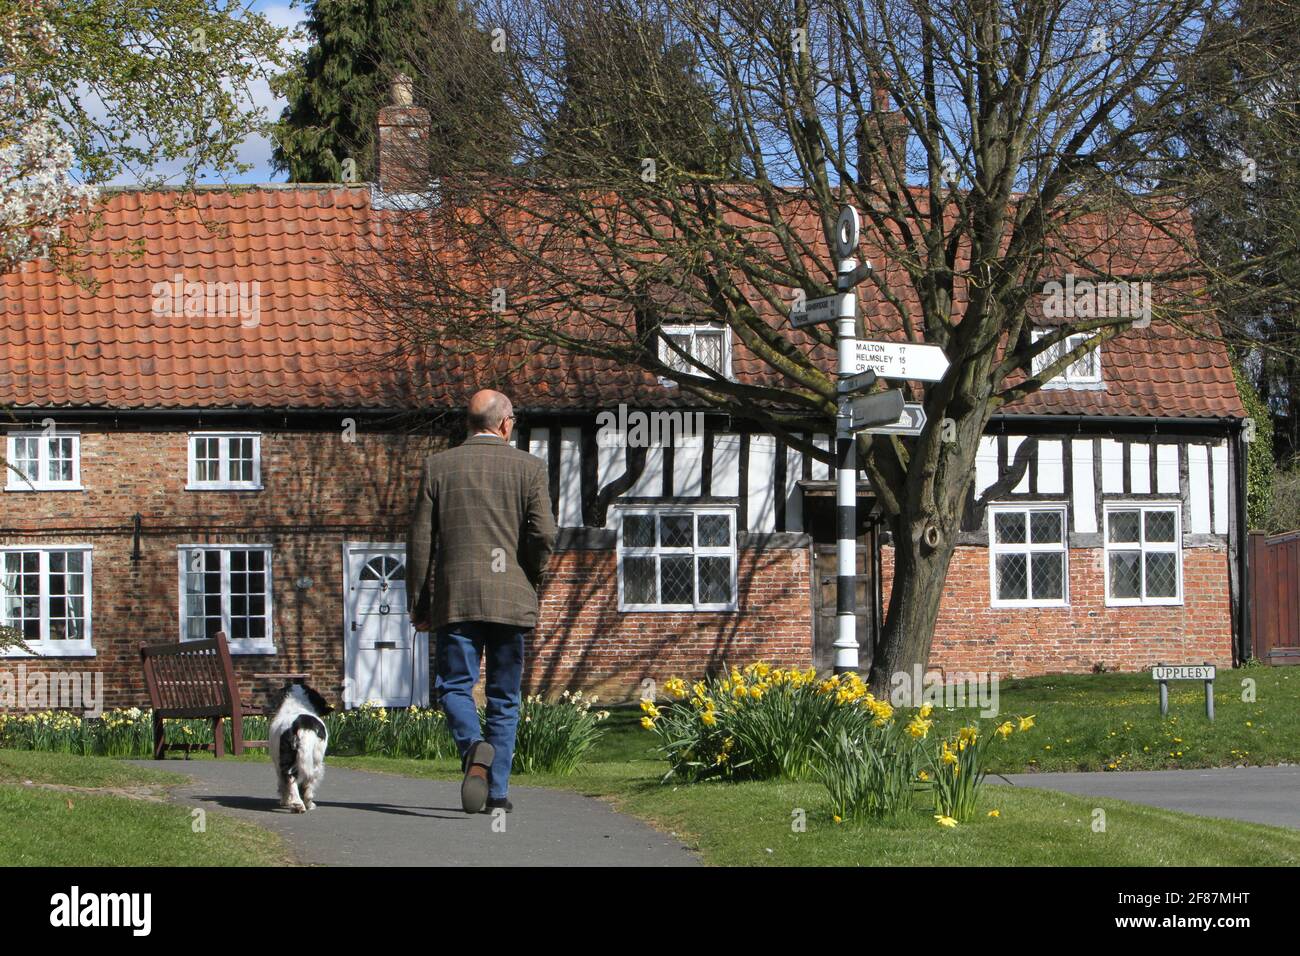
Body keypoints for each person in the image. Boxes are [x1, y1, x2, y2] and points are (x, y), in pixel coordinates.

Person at [406, 389, 557, 813]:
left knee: (454, 686)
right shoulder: (529, 468)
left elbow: (419, 542)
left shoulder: (439, 467)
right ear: (505, 422)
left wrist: (419, 601)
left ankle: (474, 748)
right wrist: (531, 573)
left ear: (468, 424)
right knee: (504, 697)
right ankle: (498, 794)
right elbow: (544, 534)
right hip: (510, 600)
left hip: (456, 599)